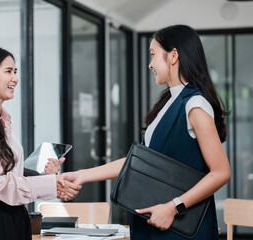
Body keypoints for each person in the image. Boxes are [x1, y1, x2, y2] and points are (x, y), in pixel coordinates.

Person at [61, 25, 231, 240]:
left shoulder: (194, 104)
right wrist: (82, 175)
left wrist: (173, 207)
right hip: (153, 223)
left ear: (173, 56)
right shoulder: (170, 101)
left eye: (153, 55)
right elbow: (139, 163)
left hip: (178, 227)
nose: (150, 64)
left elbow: (221, 172)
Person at [0, 45, 80, 240]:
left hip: (15, 216)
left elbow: (10, 171)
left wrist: (45, 177)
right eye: (8, 71)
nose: (15, 78)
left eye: (15, 71)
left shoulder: (2, 120)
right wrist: (50, 184)